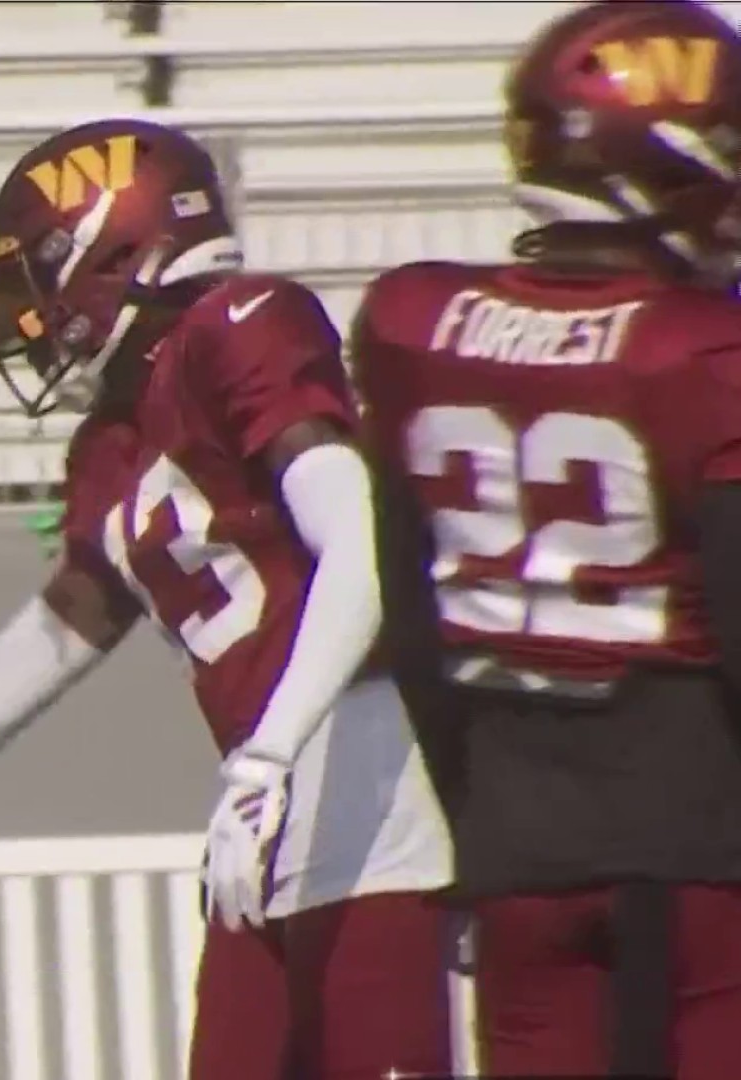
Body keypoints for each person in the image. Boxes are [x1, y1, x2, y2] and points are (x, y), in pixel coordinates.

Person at [0, 119, 455, 1080]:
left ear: (113, 249)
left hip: (372, 800)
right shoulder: (111, 449)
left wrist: (268, 757)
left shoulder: (240, 325)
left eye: (36, 283)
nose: (27, 325)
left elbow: (358, 537)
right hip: (264, 826)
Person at [352, 3, 741, 1075]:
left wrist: (468, 814)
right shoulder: (699, 348)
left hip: (513, 828)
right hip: (698, 837)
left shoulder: (412, 322)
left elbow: (411, 611)